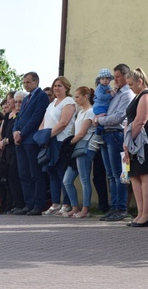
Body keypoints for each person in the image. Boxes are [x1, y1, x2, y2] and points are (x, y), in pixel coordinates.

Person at [123, 68, 148, 227]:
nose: (130, 88)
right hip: (134, 139)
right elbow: (131, 119)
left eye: (131, 84)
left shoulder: (147, 96)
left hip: (146, 141)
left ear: (140, 81)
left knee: (146, 175)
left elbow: (140, 121)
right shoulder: (137, 96)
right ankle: (140, 213)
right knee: (134, 176)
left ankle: (147, 215)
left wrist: (128, 142)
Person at [95, 64, 135, 222]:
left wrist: (99, 120)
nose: (114, 79)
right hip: (107, 134)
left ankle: (121, 208)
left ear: (126, 76)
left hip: (117, 135)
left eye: (117, 76)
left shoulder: (127, 93)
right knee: (111, 175)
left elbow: (119, 117)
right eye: (114, 76)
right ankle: (114, 207)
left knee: (120, 174)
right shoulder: (115, 92)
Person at [13, 72, 51, 216]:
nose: (26, 85)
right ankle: (28, 204)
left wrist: (22, 133)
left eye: (28, 82)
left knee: (36, 173)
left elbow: (36, 117)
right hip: (21, 141)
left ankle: (38, 204)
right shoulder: (27, 98)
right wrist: (15, 131)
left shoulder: (41, 97)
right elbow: (19, 116)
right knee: (24, 173)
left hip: (31, 140)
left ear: (36, 81)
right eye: (24, 83)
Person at [38, 76, 76, 216]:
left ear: (66, 87)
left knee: (61, 172)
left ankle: (66, 204)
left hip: (60, 140)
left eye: (59, 86)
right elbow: (43, 122)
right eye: (55, 86)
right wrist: (41, 135)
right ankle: (55, 203)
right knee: (51, 172)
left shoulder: (69, 102)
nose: (57, 88)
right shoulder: (51, 103)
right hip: (48, 141)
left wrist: (47, 135)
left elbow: (63, 122)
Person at [62, 87, 98, 219]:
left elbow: (82, 133)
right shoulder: (81, 112)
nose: (76, 100)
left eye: (77, 97)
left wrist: (68, 144)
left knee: (84, 179)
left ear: (86, 96)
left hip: (85, 148)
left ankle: (85, 209)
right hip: (77, 149)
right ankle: (75, 207)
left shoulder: (90, 111)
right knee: (67, 180)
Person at [0, 91, 25, 214]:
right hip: (6, 150)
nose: (8, 101)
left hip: (15, 148)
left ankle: (19, 203)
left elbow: (15, 133)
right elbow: (1, 132)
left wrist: (5, 141)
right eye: (7, 98)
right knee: (8, 178)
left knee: (15, 176)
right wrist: (0, 143)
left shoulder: (20, 114)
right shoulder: (8, 115)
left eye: (11, 98)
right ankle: (11, 205)